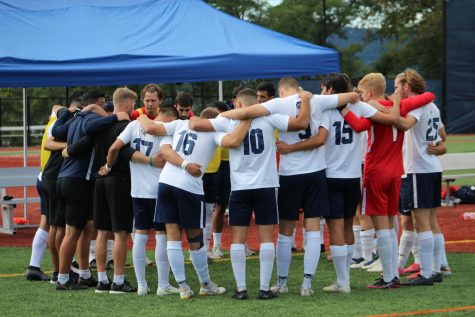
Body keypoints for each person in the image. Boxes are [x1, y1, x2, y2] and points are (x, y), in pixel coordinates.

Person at [219, 77, 359, 296]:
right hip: (316, 172)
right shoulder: (318, 100)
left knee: (286, 231)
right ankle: (307, 284)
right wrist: (308, 97)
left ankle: (282, 282)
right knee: (312, 229)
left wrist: (224, 114)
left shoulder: (277, 104)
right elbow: (352, 96)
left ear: (282, 91)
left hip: (289, 174)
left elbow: (245, 112)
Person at [191, 87, 312, 299]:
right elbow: (302, 123)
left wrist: (225, 116)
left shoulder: (227, 121)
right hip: (265, 186)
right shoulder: (269, 117)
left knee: (238, 239)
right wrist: (305, 98)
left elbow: (196, 124)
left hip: (240, 188)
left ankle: (241, 289)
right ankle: (264, 289)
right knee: (266, 239)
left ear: (237, 104)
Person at [275, 73, 379, 293]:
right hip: (353, 176)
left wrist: (290, 148)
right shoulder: (359, 107)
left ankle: (342, 282)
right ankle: (342, 279)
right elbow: (385, 115)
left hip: (329, 175)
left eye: (323, 88)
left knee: (333, 228)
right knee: (348, 225)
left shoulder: (323, 108)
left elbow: (319, 139)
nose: (320, 92)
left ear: (330, 90)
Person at [137, 107, 250, 299]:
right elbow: (234, 141)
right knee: (195, 239)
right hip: (189, 187)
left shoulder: (179, 124)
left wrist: (140, 114)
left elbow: (158, 140)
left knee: (172, 236)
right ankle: (205, 284)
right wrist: (247, 119)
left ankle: (183, 287)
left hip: (165, 183)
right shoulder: (214, 132)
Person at [340, 72, 435, 289]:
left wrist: (343, 109)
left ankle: (389, 276)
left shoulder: (369, 106)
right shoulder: (399, 107)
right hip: (396, 173)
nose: (361, 96)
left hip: (376, 173)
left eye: (362, 93)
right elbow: (428, 95)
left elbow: (359, 126)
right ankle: (392, 274)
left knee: (381, 227)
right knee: (391, 226)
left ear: (370, 92)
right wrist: (398, 100)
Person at [100, 106, 180, 296]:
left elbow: (114, 148)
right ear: (172, 118)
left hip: (137, 191)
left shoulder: (134, 125)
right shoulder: (166, 131)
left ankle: (142, 286)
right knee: (162, 236)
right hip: (159, 190)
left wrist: (108, 166)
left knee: (140, 236)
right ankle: (162, 285)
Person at [52, 97, 129, 290]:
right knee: (72, 232)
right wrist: (113, 118)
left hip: (65, 178)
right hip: (78, 180)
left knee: (86, 229)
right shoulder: (91, 121)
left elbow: (56, 131)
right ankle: (62, 279)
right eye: (102, 105)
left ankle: (84, 274)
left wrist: (68, 147)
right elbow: (89, 135)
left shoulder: (74, 119)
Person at [391, 69, 447, 285]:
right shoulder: (431, 105)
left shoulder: (417, 104)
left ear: (406, 87)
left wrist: (393, 109)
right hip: (432, 168)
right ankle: (435, 269)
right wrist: (440, 147)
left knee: (420, 221)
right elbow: (443, 136)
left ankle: (426, 273)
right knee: (431, 221)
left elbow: (404, 125)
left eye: (397, 87)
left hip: (419, 169)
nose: (395, 91)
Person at [26, 104, 65, 282]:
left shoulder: (53, 121)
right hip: (52, 178)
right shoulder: (62, 124)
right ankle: (62, 268)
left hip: (43, 176)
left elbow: (55, 106)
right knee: (57, 224)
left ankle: (34, 266)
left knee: (47, 222)